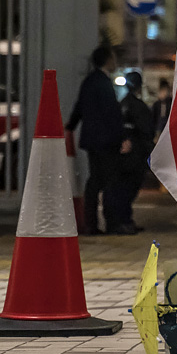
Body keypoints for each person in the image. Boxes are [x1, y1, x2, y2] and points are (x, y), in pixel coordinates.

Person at [66, 46, 133, 235]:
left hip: (91, 140)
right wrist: (122, 138)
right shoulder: (104, 84)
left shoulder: (88, 82)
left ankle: (91, 223)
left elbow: (79, 107)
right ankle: (112, 223)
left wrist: (70, 126)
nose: (115, 62)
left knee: (94, 181)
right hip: (107, 141)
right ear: (107, 60)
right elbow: (112, 114)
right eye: (113, 58)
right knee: (111, 182)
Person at [120, 71, 155, 228]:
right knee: (131, 187)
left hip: (122, 153)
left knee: (123, 187)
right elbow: (147, 131)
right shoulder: (140, 107)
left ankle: (123, 220)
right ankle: (125, 220)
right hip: (136, 153)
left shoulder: (121, 104)